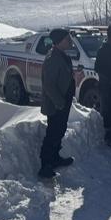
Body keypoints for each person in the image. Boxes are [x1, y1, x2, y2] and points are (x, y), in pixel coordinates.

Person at [38, 29, 76, 179]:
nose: (70, 41)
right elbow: (49, 84)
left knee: (60, 130)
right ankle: (45, 165)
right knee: (53, 132)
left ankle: (55, 157)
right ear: (59, 41)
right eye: (67, 39)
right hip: (56, 104)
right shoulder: (53, 58)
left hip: (63, 102)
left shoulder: (62, 55)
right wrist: (59, 102)